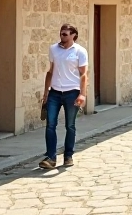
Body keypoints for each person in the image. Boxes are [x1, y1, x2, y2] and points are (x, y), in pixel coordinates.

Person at [39, 24, 88, 170]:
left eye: (65, 34)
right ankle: (51, 157)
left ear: (73, 35)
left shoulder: (80, 51)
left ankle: (68, 155)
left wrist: (82, 94)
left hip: (72, 92)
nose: (62, 37)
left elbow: (84, 74)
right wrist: (46, 92)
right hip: (54, 92)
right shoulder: (53, 49)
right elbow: (50, 71)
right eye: (61, 34)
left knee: (70, 125)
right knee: (50, 125)